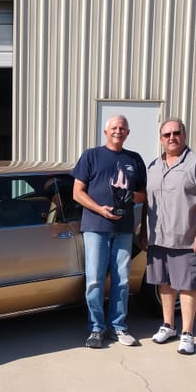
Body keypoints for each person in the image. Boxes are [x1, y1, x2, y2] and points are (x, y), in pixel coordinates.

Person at [139, 118, 196, 355]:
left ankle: (187, 333)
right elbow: (147, 202)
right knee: (163, 283)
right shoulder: (153, 166)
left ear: (184, 135)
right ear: (161, 139)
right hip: (158, 238)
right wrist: (144, 231)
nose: (171, 138)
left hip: (186, 238)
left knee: (187, 285)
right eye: (166, 135)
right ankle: (168, 325)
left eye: (176, 133)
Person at [73, 115, 147, 348]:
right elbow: (77, 193)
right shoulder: (91, 156)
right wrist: (100, 210)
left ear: (127, 132)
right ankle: (96, 328)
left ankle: (119, 327)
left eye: (122, 128)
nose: (118, 131)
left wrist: (130, 197)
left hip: (123, 229)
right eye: (114, 127)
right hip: (95, 228)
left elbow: (144, 195)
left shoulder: (134, 159)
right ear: (106, 132)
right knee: (94, 280)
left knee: (122, 280)